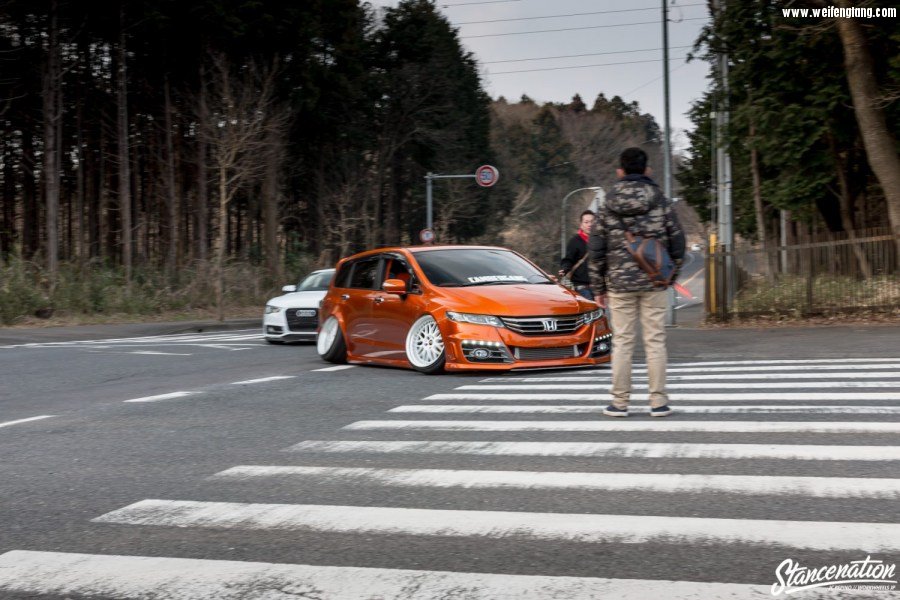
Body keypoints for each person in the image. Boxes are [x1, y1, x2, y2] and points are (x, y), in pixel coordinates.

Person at [588, 147, 685, 418]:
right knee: (655, 341)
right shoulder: (662, 201)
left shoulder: (608, 204)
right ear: (647, 170)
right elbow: (679, 244)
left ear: (620, 171)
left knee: (622, 342)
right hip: (655, 281)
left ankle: (619, 403)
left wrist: (599, 287)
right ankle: (658, 402)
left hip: (619, 284)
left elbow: (596, 248)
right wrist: (669, 276)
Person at [558, 210, 596, 301]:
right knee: (590, 311)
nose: (589, 224)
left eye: (592, 222)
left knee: (601, 313)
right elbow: (568, 259)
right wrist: (564, 269)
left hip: (598, 287)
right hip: (582, 286)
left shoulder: (600, 240)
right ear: (581, 224)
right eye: (586, 222)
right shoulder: (575, 241)